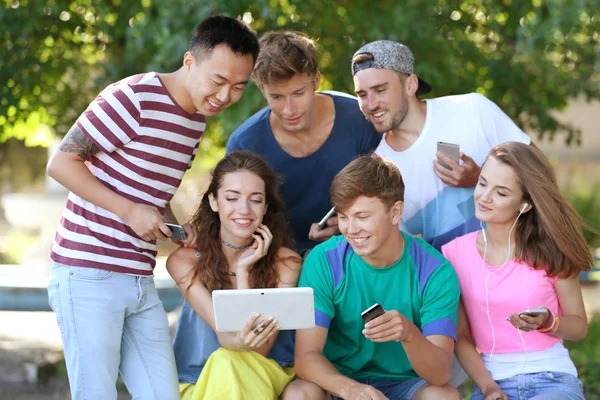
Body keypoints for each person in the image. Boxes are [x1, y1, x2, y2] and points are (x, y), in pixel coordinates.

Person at [45, 16, 259, 399]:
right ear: (190, 61)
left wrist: (177, 226)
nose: (225, 96)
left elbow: (151, 195)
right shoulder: (134, 97)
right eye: (218, 80)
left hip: (139, 278)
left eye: (238, 87)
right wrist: (128, 211)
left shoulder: (194, 123)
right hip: (87, 273)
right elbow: (61, 164)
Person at [289, 154, 461, 400]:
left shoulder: (435, 271)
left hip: (406, 384)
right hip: (339, 381)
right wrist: (352, 390)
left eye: (362, 217)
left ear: (395, 213)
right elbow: (305, 358)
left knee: (444, 397)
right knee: (299, 393)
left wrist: (409, 334)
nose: (351, 229)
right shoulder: (323, 260)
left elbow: (441, 374)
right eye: (344, 217)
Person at [351, 40, 532, 252]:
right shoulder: (379, 171)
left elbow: (540, 174)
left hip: (522, 263)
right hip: (449, 282)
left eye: (380, 90)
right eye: (362, 95)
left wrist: (480, 179)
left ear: (410, 85)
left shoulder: (472, 109)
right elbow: (399, 252)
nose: (370, 105)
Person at [442, 142, 590, 400]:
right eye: (482, 183)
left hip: (552, 379)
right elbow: (462, 338)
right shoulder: (453, 254)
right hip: (491, 383)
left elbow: (579, 327)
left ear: (525, 205)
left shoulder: (552, 252)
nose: (484, 197)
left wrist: (549, 322)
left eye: (500, 192)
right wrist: (488, 387)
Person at [226, 31, 381, 254]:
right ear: (262, 89)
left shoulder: (361, 120)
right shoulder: (245, 143)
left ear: (316, 80)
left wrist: (345, 224)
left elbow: (387, 197)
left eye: (298, 93)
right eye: (277, 97)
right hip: (273, 260)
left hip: (354, 254)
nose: (289, 110)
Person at [168, 151, 302, 399]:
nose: (244, 209)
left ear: (265, 207)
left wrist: (244, 271)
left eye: (256, 199)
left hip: (263, 373)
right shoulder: (184, 262)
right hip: (199, 382)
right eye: (232, 198)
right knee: (225, 360)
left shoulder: (287, 262)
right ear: (214, 202)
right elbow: (228, 337)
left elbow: (259, 347)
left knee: (230, 361)